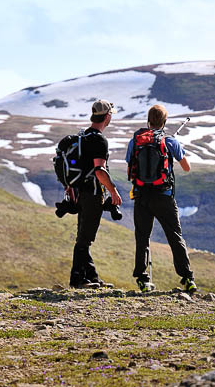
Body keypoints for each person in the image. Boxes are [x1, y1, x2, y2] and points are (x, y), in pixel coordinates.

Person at [126, 104, 197, 293]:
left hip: (141, 196)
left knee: (142, 237)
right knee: (175, 236)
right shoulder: (169, 141)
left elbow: (130, 167)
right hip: (163, 196)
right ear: (164, 122)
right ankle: (187, 278)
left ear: (148, 121)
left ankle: (142, 279)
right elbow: (187, 167)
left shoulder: (136, 141)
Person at [69, 100, 122, 289]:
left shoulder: (82, 137)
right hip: (92, 193)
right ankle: (78, 279)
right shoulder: (99, 140)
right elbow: (99, 170)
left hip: (78, 192)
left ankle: (92, 277)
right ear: (107, 116)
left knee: (83, 236)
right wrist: (113, 191)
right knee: (85, 239)